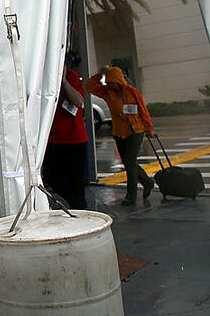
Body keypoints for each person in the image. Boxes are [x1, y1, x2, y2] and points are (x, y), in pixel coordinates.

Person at [85, 65, 154, 206]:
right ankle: (147, 182)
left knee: (129, 161)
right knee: (129, 162)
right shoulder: (106, 92)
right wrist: (99, 75)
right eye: (109, 82)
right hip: (119, 132)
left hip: (135, 131)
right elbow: (89, 87)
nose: (111, 85)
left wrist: (149, 128)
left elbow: (143, 110)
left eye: (113, 83)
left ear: (119, 81)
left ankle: (131, 196)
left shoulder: (132, 92)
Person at [42, 51, 89, 209]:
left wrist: (64, 81)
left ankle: (78, 206)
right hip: (54, 139)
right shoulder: (46, 79)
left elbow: (79, 101)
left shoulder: (72, 77)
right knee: (50, 177)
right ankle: (73, 201)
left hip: (74, 139)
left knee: (76, 182)